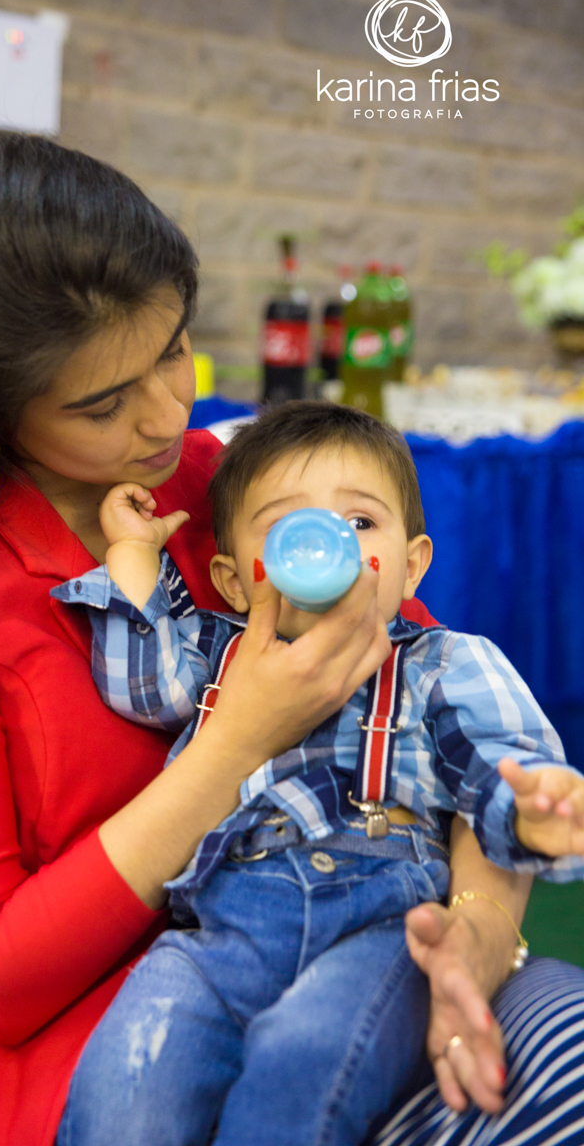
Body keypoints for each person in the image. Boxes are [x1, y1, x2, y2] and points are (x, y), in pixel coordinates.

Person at [0, 132, 578, 1146]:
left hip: (368, 951)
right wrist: (232, 742)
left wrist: (474, 928)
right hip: (124, 1043)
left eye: (171, 348)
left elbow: (428, 693)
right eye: (102, 404)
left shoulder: (222, 481)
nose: (170, 413)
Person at [51, 400, 584, 1146]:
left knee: (299, 1067)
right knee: (126, 1083)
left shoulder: (442, 663)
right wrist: (135, 556)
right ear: (235, 582)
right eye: (286, 527)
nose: (329, 543)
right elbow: (143, 686)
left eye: (361, 523)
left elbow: (494, 756)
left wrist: (535, 806)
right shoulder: (217, 652)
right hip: (222, 930)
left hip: (379, 926)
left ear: (411, 565)